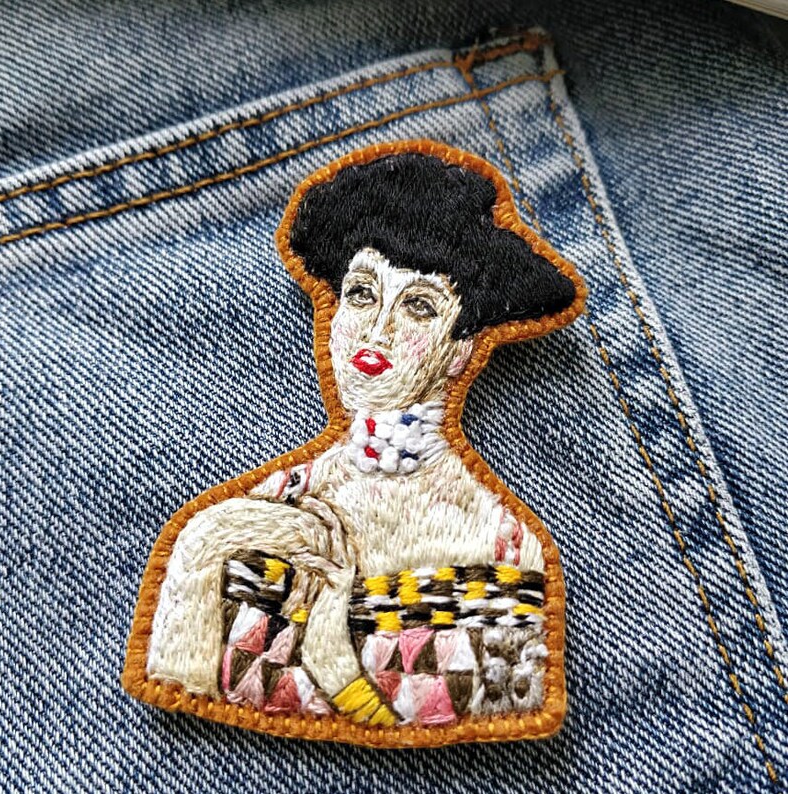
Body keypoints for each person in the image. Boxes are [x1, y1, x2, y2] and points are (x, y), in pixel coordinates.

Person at [138, 140, 585, 733]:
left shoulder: (503, 543)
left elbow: (499, 700)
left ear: (461, 350)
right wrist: (206, 543)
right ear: (334, 312)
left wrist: (336, 659)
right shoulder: (274, 501)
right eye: (362, 294)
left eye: (419, 307)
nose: (377, 330)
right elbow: (180, 676)